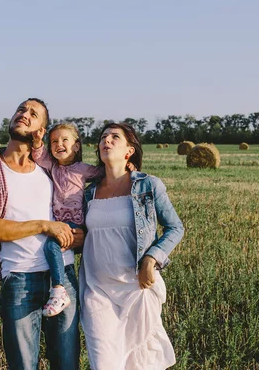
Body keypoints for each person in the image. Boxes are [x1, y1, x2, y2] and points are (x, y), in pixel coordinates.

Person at [0, 98, 82, 370]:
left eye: (33, 114)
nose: (24, 114)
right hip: (19, 280)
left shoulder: (51, 169)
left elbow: (76, 208)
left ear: (42, 130)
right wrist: (44, 225)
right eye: (21, 109)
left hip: (62, 276)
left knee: (67, 365)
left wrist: (80, 236)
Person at [79, 122, 185, 369]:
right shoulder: (89, 193)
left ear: (129, 151)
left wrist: (151, 258)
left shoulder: (149, 186)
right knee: (104, 363)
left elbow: (175, 227)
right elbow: (84, 235)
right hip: (98, 290)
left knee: (140, 363)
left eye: (114, 137)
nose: (106, 140)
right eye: (103, 137)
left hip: (137, 288)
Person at [31, 123, 104, 317]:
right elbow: (39, 156)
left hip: (75, 221)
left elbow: (104, 173)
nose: (59, 144)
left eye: (65, 140)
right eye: (54, 141)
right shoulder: (52, 166)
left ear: (77, 146)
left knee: (51, 247)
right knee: (51, 247)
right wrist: (38, 141)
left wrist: (125, 165)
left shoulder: (83, 169)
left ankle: (59, 290)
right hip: (59, 221)